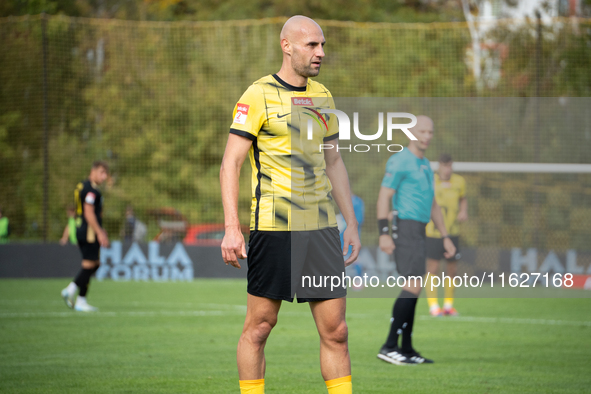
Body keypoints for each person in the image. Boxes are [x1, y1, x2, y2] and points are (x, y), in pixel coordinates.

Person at [220, 16, 360, 394]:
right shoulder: (257, 94)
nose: (321, 53)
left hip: (322, 230)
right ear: (287, 46)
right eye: (312, 45)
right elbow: (230, 162)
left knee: (337, 331)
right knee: (260, 328)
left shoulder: (323, 96)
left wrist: (351, 223)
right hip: (274, 228)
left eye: (322, 45)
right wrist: (233, 227)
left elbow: (334, 162)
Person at [376, 115, 456, 365]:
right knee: (412, 285)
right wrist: (383, 232)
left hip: (421, 230)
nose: (427, 136)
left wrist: (445, 236)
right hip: (405, 227)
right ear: (411, 133)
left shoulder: (425, 165)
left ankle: (407, 349)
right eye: (422, 131)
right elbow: (384, 196)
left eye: (430, 132)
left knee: (416, 286)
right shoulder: (400, 160)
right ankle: (389, 346)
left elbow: (433, 204)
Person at [60, 161, 110, 312]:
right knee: (89, 265)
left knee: (95, 264)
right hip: (89, 232)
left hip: (81, 228)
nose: (104, 176)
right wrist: (99, 232)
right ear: (93, 171)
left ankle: (81, 299)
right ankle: (72, 290)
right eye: (102, 172)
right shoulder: (91, 190)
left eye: (106, 173)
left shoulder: (81, 186)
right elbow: (89, 212)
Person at [425, 153, 467, 316]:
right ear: (439, 167)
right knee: (433, 268)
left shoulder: (459, 182)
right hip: (433, 233)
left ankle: (448, 306)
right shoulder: (432, 180)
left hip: (453, 232)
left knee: (452, 269)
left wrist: (463, 211)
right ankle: (433, 306)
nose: (447, 169)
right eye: (444, 166)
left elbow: (463, 199)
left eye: (450, 166)